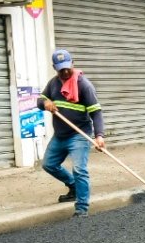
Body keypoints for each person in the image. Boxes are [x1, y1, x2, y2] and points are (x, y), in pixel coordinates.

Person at [38, 49, 105, 218]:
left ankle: (82, 208)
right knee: (48, 164)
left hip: (79, 135)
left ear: (72, 64)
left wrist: (99, 136)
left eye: (68, 67)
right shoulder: (53, 83)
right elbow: (40, 99)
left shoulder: (84, 85)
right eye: (61, 69)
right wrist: (45, 103)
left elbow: (96, 113)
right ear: (55, 68)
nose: (66, 71)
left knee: (79, 169)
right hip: (60, 135)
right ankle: (73, 186)